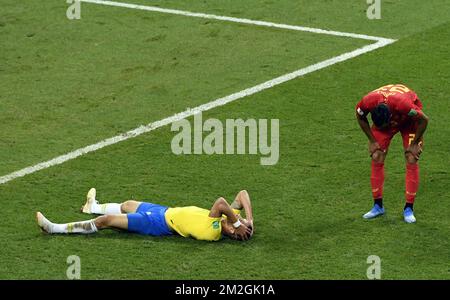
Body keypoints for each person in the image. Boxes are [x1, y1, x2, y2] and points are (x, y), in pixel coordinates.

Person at [36, 188, 254, 241]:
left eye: (234, 228)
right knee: (127, 204)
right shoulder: (228, 219)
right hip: (165, 210)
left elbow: (221, 203)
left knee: (105, 222)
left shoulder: (214, 230)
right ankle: (91, 206)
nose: (235, 221)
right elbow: (242, 194)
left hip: (157, 224)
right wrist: (248, 220)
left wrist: (237, 223)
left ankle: (54, 228)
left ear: (230, 232)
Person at [355, 84, 429, 223]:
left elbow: (424, 120)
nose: (386, 128)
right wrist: (372, 140)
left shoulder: (404, 105)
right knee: (377, 155)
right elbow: (360, 117)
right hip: (393, 112)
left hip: (409, 121)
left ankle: (409, 208)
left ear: (390, 117)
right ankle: (378, 206)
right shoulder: (368, 101)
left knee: (411, 158)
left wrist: (414, 144)